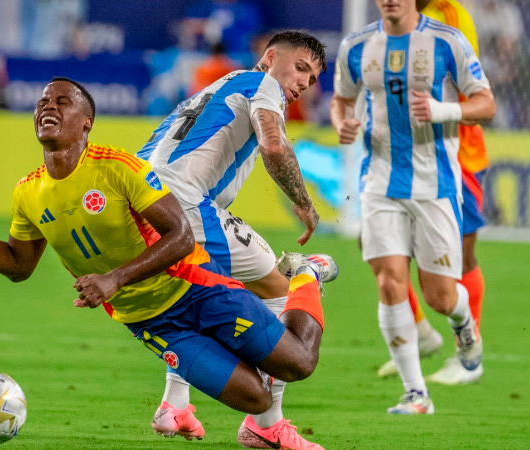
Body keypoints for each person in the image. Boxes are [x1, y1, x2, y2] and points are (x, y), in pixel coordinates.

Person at [0, 77, 329, 435]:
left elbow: (182, 237)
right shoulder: (27, 193)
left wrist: (113, 279)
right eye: (43, 102)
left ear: (86, 123)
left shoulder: (119, 169)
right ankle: (201, 407)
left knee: (299, 363)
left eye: (62, 101)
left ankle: (306, 274)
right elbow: (18, 266)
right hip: (154, 324)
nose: (48, 106)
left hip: (198, 289)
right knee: (255, 398)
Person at [138, 30, 335, 449]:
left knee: (196, 297)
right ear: (269, 57)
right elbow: (274, 146)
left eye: (312, 79)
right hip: (186, 209)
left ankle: (175, 405)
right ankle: (266, 424)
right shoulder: (264, 86)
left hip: (143, 206)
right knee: (281, 289)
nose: (303, 83)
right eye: (300, 68)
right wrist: (303, 202)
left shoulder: (216, 87)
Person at [329, 0, 495, 414]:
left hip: (434, 184)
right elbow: (341, 100)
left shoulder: (448, 40)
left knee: (440, 296)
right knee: (389, 282)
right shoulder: (356, 46)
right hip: (379, 183)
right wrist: (341, 123)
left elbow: (486, 104)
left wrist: (444, 110)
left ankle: (463, 325)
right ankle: (415, 393)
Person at [371, 0, 490, 386]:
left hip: (455, 158)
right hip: (403, 159)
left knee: (461, 259)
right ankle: (420, 334)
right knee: (375, 248)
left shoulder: (449, 18)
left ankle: (469, 354)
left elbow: (467, 92)